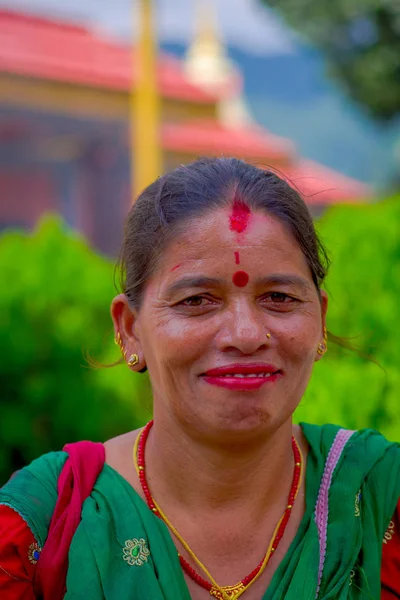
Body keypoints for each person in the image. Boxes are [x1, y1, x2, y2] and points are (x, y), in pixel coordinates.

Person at [0, 157, 399, 600]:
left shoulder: (382, 502)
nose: (246, 335)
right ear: (129, 328)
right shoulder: (43, 524)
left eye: (279, 297)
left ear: (320, 320)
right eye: (197, 300)